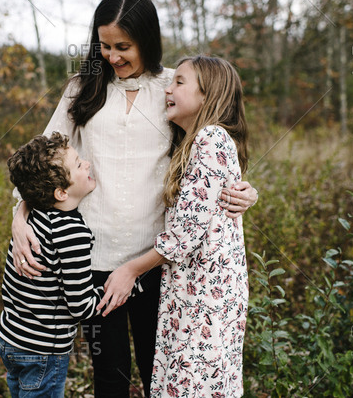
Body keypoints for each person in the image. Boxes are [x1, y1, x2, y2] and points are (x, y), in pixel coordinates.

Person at [11, 0, 258, 397]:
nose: (112, 56)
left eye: (123, 46)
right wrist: (19, 217)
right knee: (110, 375)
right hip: (93, 257)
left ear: (147, 39)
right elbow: (40, 163)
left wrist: (246, 193)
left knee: (157, 369)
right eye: (104, 45)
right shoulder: (82, 90)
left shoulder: (172, 88)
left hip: (156, 260)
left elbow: (208, 157)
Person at [98, 55, 250, 397]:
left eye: (179, 82)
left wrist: (131, 270)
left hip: (205, 298)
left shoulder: (210, 139)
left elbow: (185, 235)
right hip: (195, 292)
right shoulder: (195, 142)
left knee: (192, 386)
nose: (169, 88)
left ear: (207, 95)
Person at [0, 132, 105, 397]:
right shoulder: (73, 233)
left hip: (10, 339)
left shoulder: (33, 218)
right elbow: (79, 305)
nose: (88, 164)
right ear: (61, 192)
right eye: (79, 164)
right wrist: (112, 292)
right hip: (43, 351)